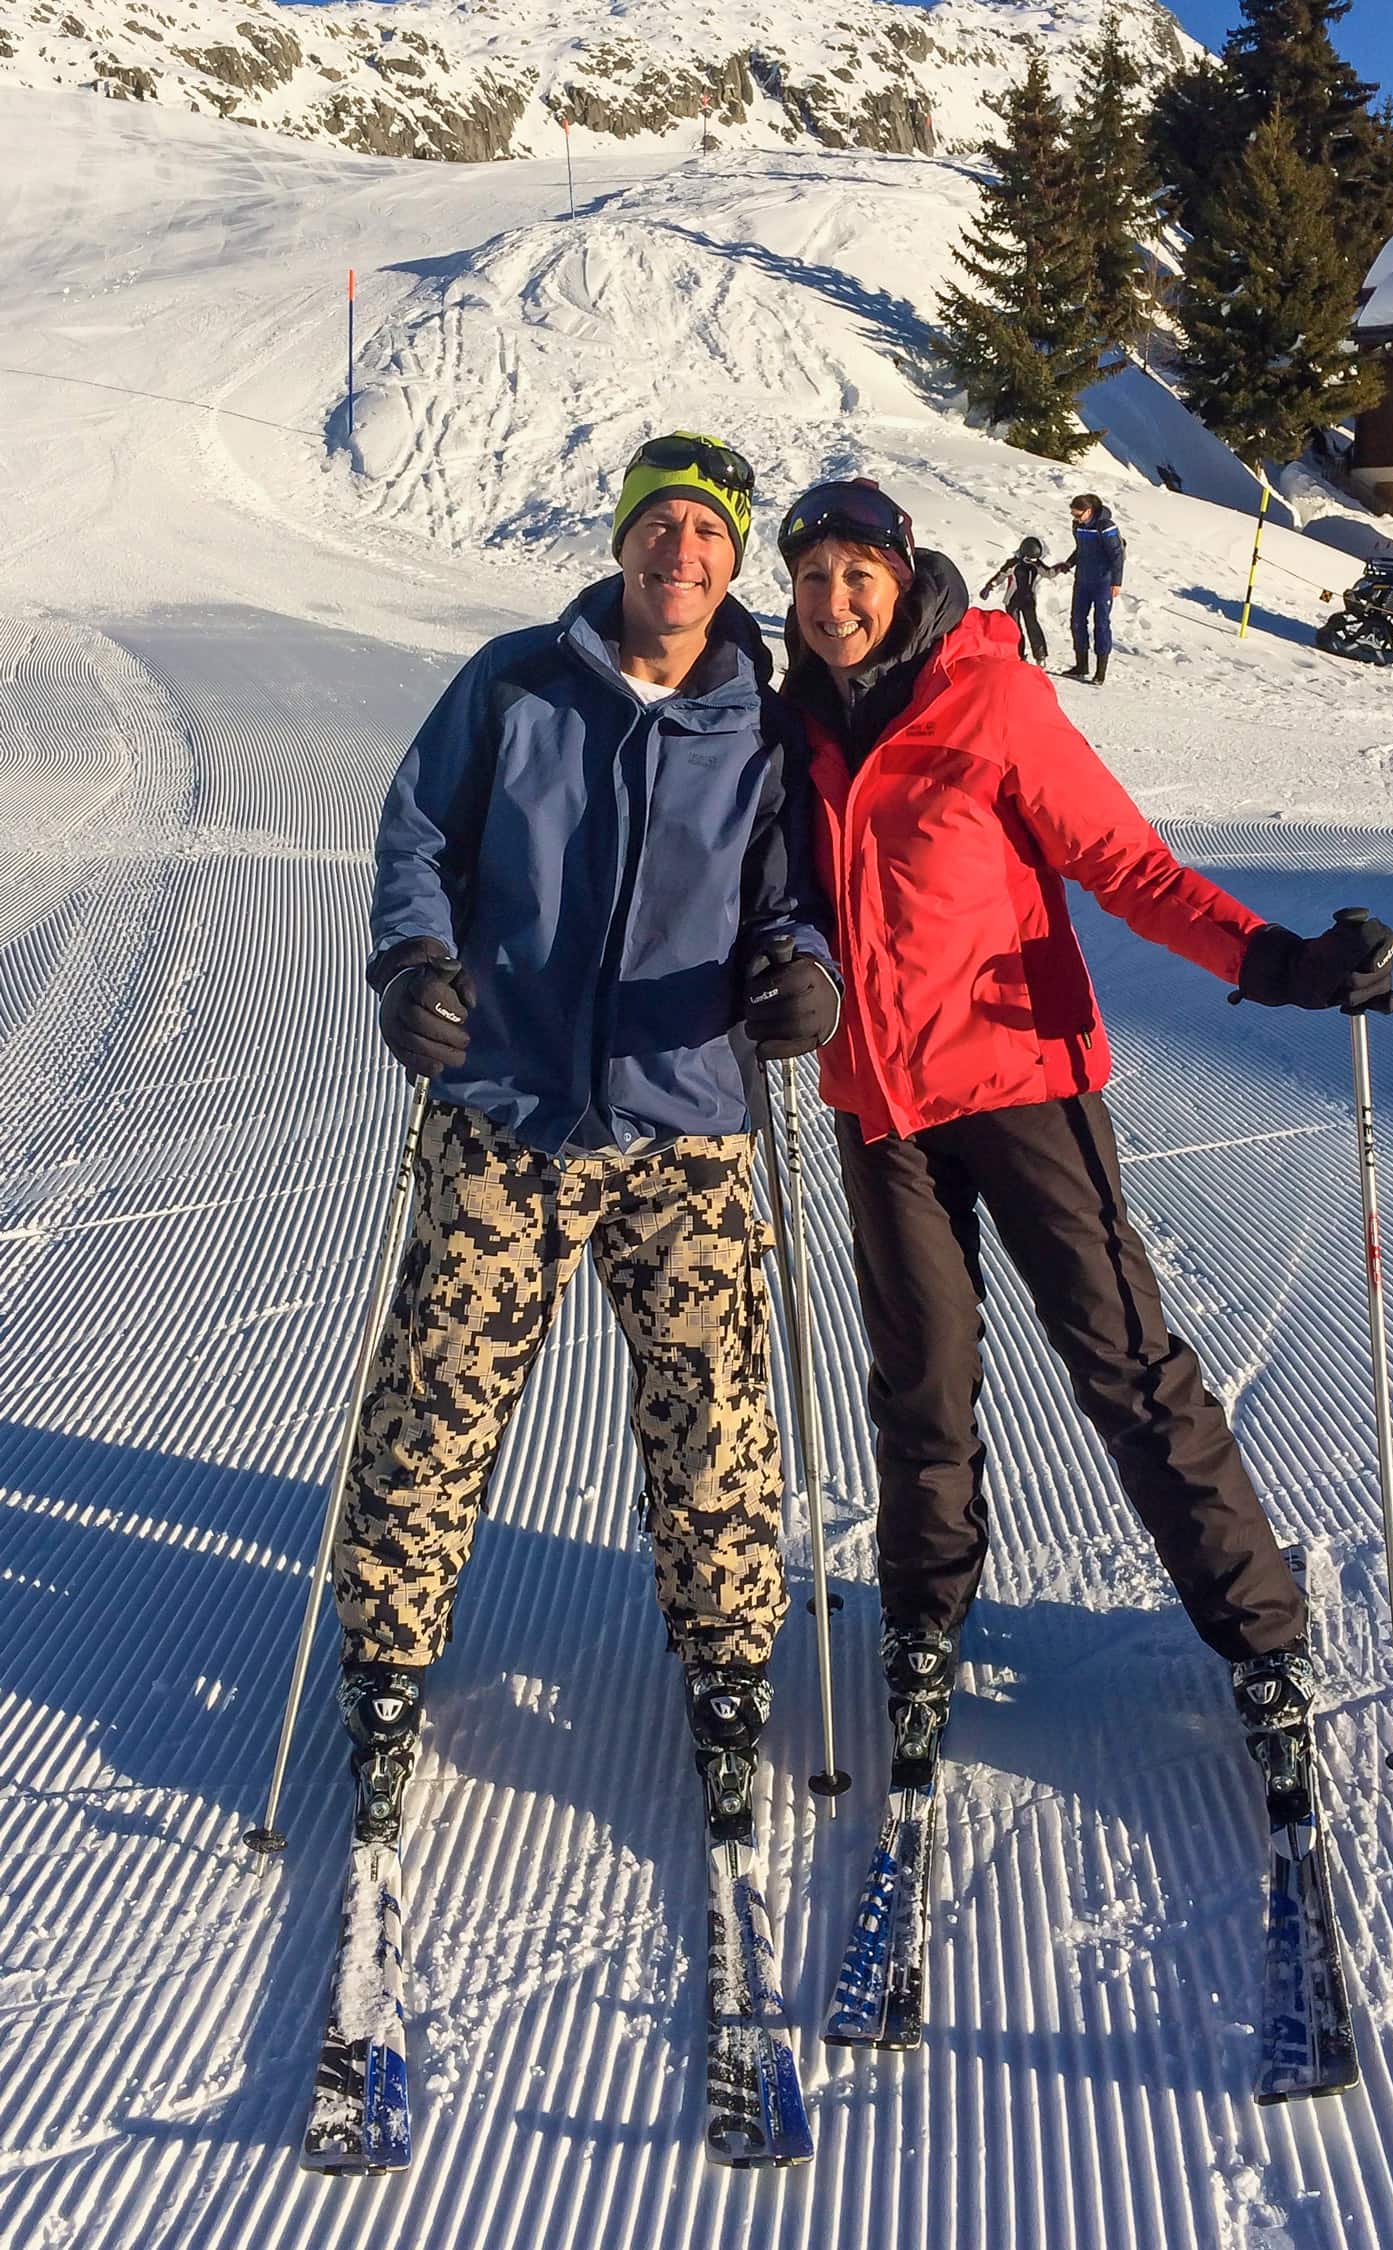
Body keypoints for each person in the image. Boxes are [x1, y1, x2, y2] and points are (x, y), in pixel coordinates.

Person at [774, 474, 1393, 1776]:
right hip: (879, 1106)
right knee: (922, 1384)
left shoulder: (989, 695)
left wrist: (1275, 960)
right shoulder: (795, 730)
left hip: (1021, 1083)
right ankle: (925, 1621)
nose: (833, 603)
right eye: (811, 579)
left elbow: (1129, 866)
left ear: (902, 575)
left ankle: (1262, 1635)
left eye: (855, 575)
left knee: (1124, 1362)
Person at [331, 432, 842, 1838]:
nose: (682, 553)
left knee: (716, 1412)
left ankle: (729, 1664)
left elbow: (796, 898)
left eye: (710, 534)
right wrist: (412, 966)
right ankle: (384, 1658)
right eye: (662, 524)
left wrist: (804, 973)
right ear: (622, 538)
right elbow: (417, 836)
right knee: (434, 1392)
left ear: (736, 563)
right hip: (504, 1110)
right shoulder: (516, 680)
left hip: (686, 1121)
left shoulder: (763, 722)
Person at [1055, 493, 1125, 683]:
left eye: (1078, 515)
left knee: (1101, 623)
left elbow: (1117, 554)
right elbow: (1081, 550)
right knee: (1077, 620)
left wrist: (1116, 582)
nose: (1075, 519)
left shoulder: (1106, 526)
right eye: (1073, 515)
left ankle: (1100, 672)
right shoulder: (1078, 525)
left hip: (1103, 582)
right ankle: (1081, 665)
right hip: (1083, 580)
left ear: (1089, 511)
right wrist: (1069, 564)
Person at [978, 536, 1055, 665]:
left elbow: (1049, 573)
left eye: (1035, 559)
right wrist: (989, 586)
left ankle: (1040, 656)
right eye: (1029, 559)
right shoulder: (1013, 564)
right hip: (1013, 600)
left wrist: (1060, 568)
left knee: (1033, 626)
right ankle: (1017, 654)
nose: (1032, 562)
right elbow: (1001, 575)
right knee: (1014, 628)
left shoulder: (1037, 565)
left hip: (1029, 600)